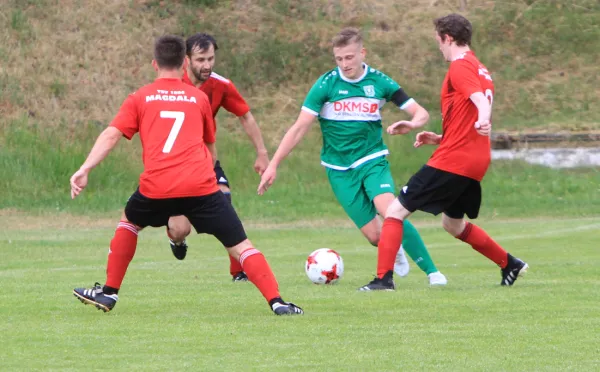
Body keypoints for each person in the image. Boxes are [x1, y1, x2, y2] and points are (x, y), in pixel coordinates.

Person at [70, 35, 303, 315]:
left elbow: (111, 135)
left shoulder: (140, 97)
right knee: (242, 245)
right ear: (184, 63)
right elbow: (210, 148)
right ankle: (277, 302)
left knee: (130, 222)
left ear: (155, 64)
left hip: (156, 186)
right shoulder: (198, 98)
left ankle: (109, 293)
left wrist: (85, 169)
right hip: (201, 187)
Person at [258, 27, 447, 286]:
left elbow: (421, 113)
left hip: (372, 160)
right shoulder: (326, 84)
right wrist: (274, 165)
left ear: (362, 53)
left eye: (349, 57)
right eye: (339, 59)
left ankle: (433, 273)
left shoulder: (379, 82)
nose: (344, 64)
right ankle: (395, 248)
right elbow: (299, 127)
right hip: (338, 169)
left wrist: (413, 125)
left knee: (391, 211)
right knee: (373, 236)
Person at [359, 14, 529, 291]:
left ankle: (383, 280)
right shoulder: (479, 67)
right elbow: (469, 112)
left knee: (394, 211)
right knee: (453, 225)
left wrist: (485, 118)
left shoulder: (460, 67)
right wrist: (440, 138)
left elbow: (477, 102)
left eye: (438, 40)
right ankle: (509, 263)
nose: (438, 46)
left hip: (455, 160)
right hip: (474, 159)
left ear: (447, 38)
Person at [167, 33, 269, 283]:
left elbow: (246, 116)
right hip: (173, 165)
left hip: (205, 159)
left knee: (224, 199)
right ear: (186, 59)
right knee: (181, 229)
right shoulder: (171, 84)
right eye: (201, 59)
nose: (207, 65)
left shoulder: (221, 85)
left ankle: (238, 270)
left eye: (211, 58)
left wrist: (262, 154)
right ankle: (175, 239)